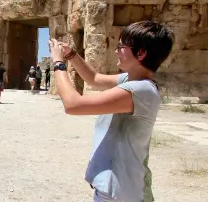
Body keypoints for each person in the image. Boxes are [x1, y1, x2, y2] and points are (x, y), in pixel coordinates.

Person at [48, 21, 174, 202]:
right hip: (118, 188)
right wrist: (71, 55)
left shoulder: (140, 90)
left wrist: (58, 63)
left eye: (121, 46)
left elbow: (73, 104)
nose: (116, 51)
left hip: (119, 191)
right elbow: (94, 79)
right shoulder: (130, 80)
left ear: (141, 53)